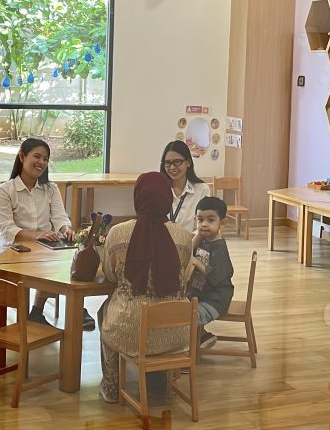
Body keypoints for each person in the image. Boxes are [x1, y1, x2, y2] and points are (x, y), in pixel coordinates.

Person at [98, 171, 193, 403]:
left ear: (137, 197)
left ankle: (111, 384)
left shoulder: (118, 233)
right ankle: (158, 383)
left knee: (105, 312)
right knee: (159, 318)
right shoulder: (183, 237)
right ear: (167, 198)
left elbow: (110, 274)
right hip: (176, 332)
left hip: (130, 332)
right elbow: (185, 277)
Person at [0, 137, 95, 331]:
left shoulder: (51, 188)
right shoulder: (5, 190)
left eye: (45, 159)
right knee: (44, 266)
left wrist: (66, 229)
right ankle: (61, 312)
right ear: (22, 157)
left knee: (73, 261)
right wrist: (37, 235)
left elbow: (60, 217)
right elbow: (7, 228)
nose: (41, 162)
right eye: (37, 156)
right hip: (13, 249)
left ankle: (47, 311)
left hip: (46, 247)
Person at [188, 196, 234, 348]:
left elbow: (217, 275)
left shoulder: (219, 247)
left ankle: (195, 342)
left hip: (216, 299)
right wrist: (199, 235)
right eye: (200, 220)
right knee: (176, 308)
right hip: (199, 294)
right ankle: (202, 336)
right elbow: (188, 252)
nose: (204, 224)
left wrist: (197, 262)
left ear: (223, 222)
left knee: (187, 318)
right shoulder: (203, 240)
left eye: (210, 220)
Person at [159, 139, 211, 234]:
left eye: (177, 162)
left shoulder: (202, 189)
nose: (172, 167)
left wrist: (188, 241)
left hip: (191, 241)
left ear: (188, 162)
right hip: (163, 241)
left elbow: (204, 224)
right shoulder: (159, 189)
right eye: (168, 163)